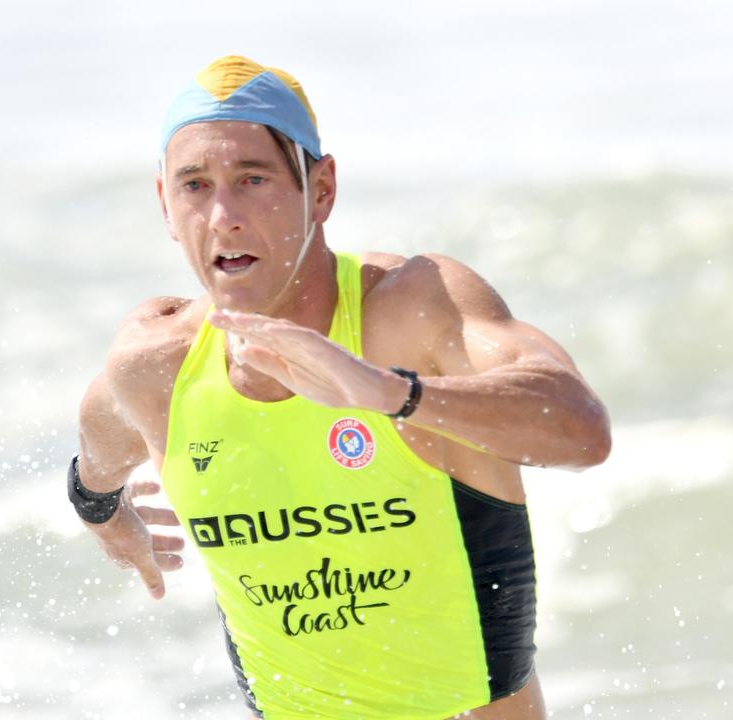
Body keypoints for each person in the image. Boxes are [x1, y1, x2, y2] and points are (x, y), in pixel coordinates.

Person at [70, 55, 611, 720]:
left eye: (252, 178)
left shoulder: (409, 314)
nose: (223, 216)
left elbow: (582, 430)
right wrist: (101, 512)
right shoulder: (157, 367)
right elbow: (96, 455)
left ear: (321, 189)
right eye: (195, 186)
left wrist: (391, 393)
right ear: (165, 204)